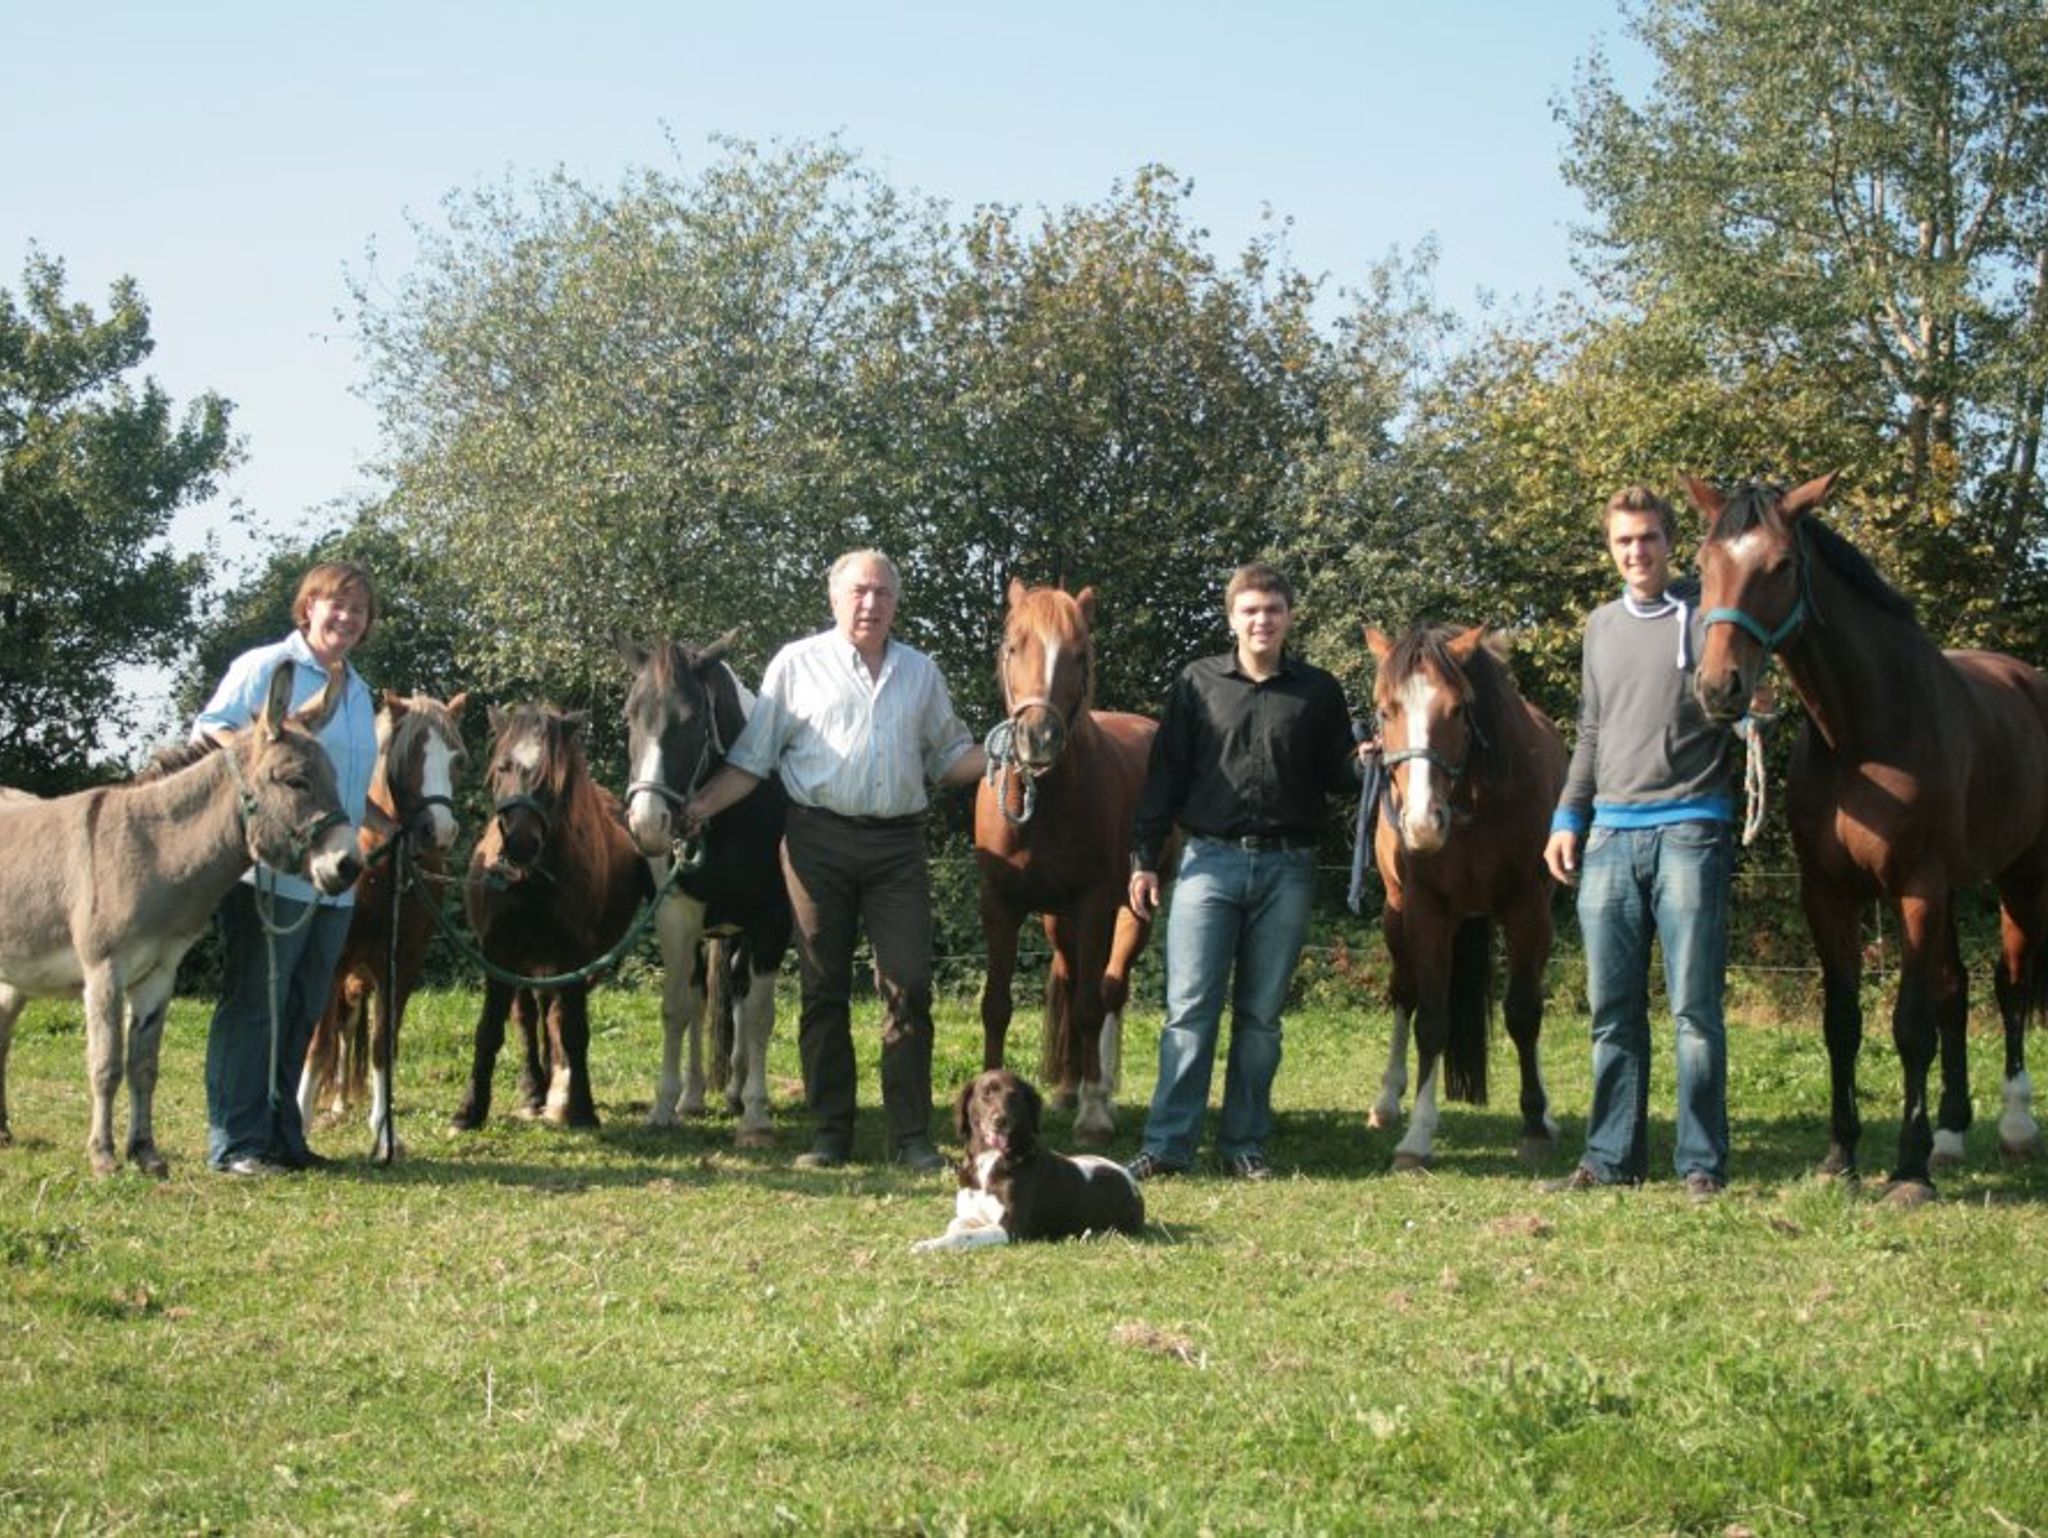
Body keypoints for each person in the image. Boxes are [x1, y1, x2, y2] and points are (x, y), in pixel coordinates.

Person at [684, 551, 984, 1172]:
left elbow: (951, 759)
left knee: (910, 986)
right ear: (834, 598)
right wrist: (698, 809)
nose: (870, 603)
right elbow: (752, 760)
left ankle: (911, 1138)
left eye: (882, 593)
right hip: (815, 841)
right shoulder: (796, 665)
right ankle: (830, 1134)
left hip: (898, 846)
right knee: (823, 989)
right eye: (858, 592)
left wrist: (1012, 750)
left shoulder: (920, 673)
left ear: (896, 602)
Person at [1125, 563, 1362, 1181]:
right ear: (1232, 618)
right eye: (1251, 610)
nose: (1262, 621)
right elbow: (1164, 778)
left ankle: (1244, 1145)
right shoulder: (1196, 684)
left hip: (1289, 867)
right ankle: (1168, 1146)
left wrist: (1369, 760)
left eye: (1273, 610)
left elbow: (1338, 778)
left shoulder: (1319, 691)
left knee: (1260, 1018)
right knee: (1188, 1010)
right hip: (1208, 862)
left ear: (1289, 617)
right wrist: (1145, 860)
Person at [1542, 486, 1738, 1200]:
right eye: (1624, 542)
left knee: (1694, 1010)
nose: (1638, 552)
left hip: (1692, 827)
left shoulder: (1707, 615)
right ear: (1611, 549)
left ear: (1670, 541)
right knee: (1612, 1011)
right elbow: (1592, 731)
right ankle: (1611, 1157)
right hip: (1610, 840)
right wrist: (1568, 818)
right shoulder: (1599, 626)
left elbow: (1745, 686)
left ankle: (1700, 1164)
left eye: (1649, 538)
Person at [196, 560, 377, 1176]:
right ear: (309, 608)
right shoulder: (264, 668)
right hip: (270, 871)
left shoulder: (358, 690)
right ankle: (236, 1142)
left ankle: (282, 1137)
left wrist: (387, 823)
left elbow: (344, 781)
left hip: (334, 879)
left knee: (303, 1006)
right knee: (253, 1005)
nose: (347, 618)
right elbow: (211, 731)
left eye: (358, 610)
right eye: (337, 605)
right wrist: (260, 764)